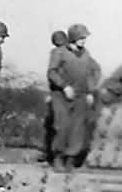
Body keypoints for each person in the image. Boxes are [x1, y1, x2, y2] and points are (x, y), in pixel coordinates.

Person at [47, 23, 101, 172]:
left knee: (77, 129)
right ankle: (58, 158)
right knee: (62, 125)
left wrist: (90, 90)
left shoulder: (86, 54)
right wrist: (64, 86)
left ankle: (70, 159)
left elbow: (95, 71)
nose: (83, 40)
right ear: (73, 38)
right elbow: (52, 72)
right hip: (61, 95)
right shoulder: (59, 52)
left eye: (85, 37)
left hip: (81, 95)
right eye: (81, 37)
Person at [42, 30, 68, 164]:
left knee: (56, 124)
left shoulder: (57, 52)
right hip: (64, 92)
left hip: (60, 92)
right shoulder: (69, 52)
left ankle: (53, 155)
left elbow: (52, 74)